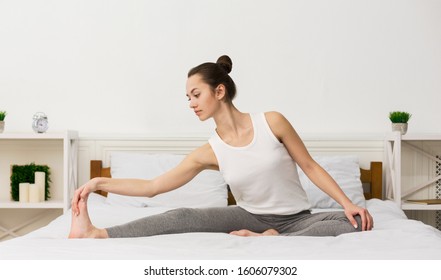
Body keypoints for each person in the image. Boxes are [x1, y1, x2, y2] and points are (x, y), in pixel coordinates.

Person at [69, 55, 373, 239]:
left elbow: (309, 165)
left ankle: (275, 238)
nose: (191, 104)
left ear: (219, 90)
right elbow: (153, 186)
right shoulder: (209, 151)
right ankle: (96, 234)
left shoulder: (273, 122)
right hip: (247, 216)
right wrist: (99, 182)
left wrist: (347, 204)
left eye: (195, 95)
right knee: (181, 216)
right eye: (187, 97)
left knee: (359, 221)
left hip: (299, 218)